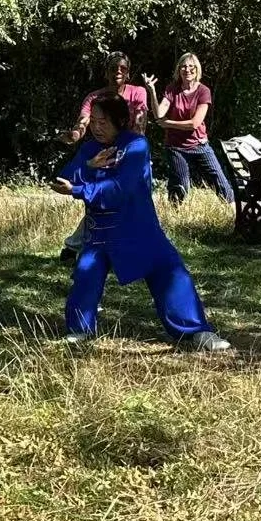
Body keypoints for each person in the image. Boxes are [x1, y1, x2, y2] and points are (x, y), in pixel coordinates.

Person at [51, 94, 231, 351]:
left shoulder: (136, 145)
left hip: (138, 227)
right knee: (86, 275)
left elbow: (119, 188)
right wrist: (88, 166)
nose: (97, 127)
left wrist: (80, 188)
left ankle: (196, 331)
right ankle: (79, 329)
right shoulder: (90, 148)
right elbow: (63, 180)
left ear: (119, 121)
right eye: (94, 121)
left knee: (170, 271)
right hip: (100, 232)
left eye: (103, 122)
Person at [61, 52, 154, 259]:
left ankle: (79, 246)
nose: (117, 72)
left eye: (122, 68)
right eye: (113, 68)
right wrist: (74, 136)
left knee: (133, 203)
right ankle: (78, 247)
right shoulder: (94, 97)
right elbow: (83, 122)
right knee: (103, 204)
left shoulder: (138, 92)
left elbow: (140, 125)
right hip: (104, 156)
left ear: (128, 73)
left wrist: (129, 151)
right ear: (106, 72)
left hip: (131, 154)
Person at [153, 52, 234, 205]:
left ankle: (234, 209)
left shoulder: (203, 91)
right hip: (175, 146)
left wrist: (168, 123)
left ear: (197, 70)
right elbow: (159, 114)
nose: (187, 70)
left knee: (220, 180)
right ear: (179, 70)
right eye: (183, 66)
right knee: (181, 184)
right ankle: (175, 213)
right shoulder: (172, 89)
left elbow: (194, 123)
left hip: (199, 144)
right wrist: (151, 91)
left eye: (191, 66)